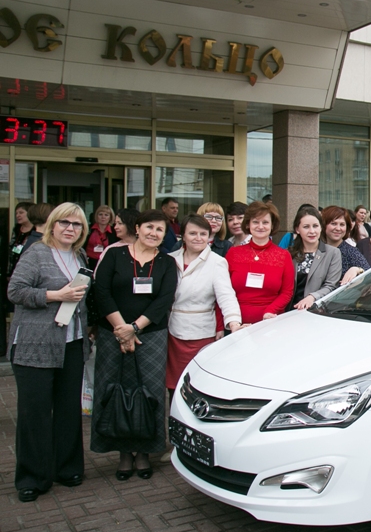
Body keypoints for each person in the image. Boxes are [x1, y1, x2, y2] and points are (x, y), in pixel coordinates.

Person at [8, 203, 90, 502]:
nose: (70, 228)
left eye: (77, 224)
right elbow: (15, 291)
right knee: (35, 412)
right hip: (35, 344)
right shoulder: (37, 253)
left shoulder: (79, 255)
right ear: (53, 225)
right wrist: (55, 295)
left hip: (71, 341)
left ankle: (67, 469)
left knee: (69, 409)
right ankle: (31, 478)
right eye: (65, 223)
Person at [92, 209, 177, 481]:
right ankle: (123, 454)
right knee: (113, 389)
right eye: (149, 227)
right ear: (137, 228)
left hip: (150, 336)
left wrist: (135, 328)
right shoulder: (114, 255)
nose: (154, 233)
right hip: (112, 334)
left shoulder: (165, 262)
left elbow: (164, 300)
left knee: (149, 393)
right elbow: (101, 292)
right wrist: (121, 329)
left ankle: (143, 453)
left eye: (160, 230)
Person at [167, 216, 242, 391]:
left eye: (203, 233)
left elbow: (226, 296)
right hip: (172, 331)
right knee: (173, 385)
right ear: (183, 236)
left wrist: (233, 323)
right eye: (192, 233)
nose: (198, 238)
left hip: (201, 332)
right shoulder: (170, 259)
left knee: (195, 385)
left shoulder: (217, 262)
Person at [225, 201, 294, 324]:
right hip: (236, 323)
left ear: (272, 225)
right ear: (248, 225)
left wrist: (270, 311)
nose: (260, 226)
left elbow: (287, 292)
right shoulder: (233, 253)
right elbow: (223, 291)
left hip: (269, 322)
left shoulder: (283, 256)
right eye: (255, 222)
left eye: (265, 222)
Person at [289, 208, 343, 310]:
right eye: (306, 227)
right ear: (297, 229)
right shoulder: (289, 254)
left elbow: (331, 285)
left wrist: (312, 297)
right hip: (289, 310)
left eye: (315, 226)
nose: (312, 231)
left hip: (316, 309)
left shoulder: (332, 253)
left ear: (321, 228)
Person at [320, 206, 369, 284]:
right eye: (333, 223)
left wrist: (357, 269)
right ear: (324, 225)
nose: (338, 228)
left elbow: (369, 274)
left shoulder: (350, 251)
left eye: (342, 225)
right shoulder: (316, 248)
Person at [83, 205, 116, 270]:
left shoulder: (114, 232)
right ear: (96, 216)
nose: (103, 217)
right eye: (100, 214)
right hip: (89, 262)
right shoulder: (88, 229)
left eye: (106, 215)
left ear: (110, 217)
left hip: (107, 262)